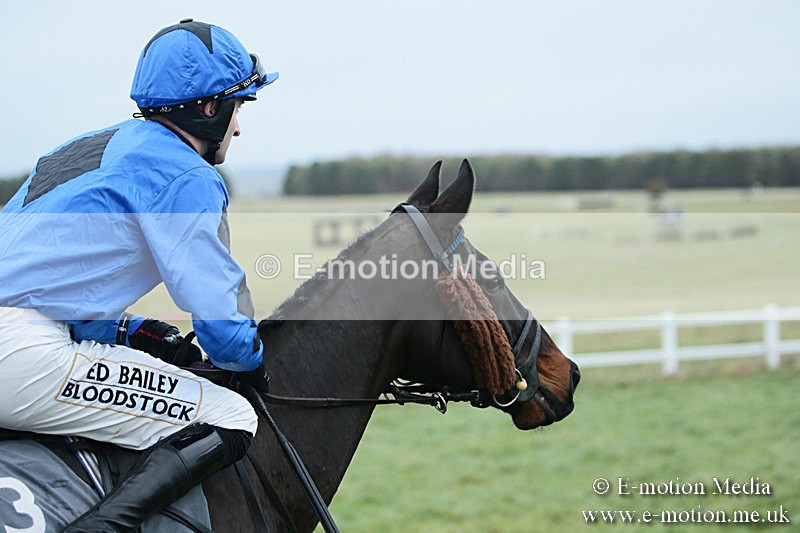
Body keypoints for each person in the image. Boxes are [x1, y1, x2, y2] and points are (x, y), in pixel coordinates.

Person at [0, 19, 276, 530]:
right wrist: (254, 362)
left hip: (20, 339)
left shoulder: (85, 147)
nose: (239, 127)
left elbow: (44, 274)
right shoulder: (189, 175)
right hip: (18, 355)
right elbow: (222, 323)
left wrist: (127, 330)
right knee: (231, 415)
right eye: (241, 107)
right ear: (211, 108)